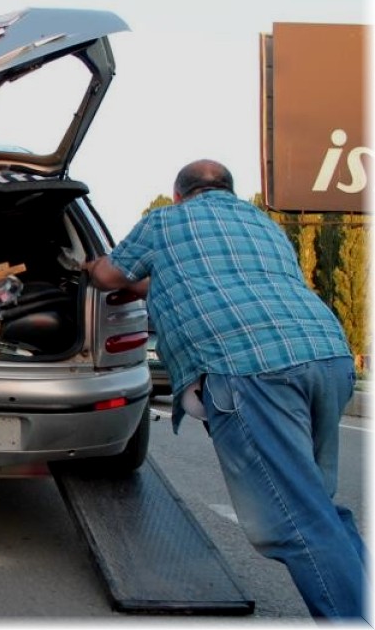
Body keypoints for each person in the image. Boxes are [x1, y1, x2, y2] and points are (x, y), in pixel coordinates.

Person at [84, 159, 366, 619]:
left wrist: (91, 264)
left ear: (178, 194)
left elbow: (112, 278)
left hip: (253, 367)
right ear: (229, 192)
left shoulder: (165, 220)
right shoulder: (264, 225)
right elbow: (187, 281)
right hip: (326, 355)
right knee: (318, 507)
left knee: (295, 522)